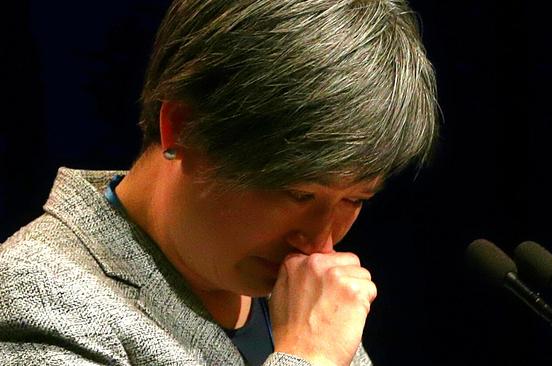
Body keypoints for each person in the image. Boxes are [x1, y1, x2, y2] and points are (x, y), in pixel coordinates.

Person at [0, 0, 436, 365]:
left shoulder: (304, 290)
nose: (319, 243)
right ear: (184, 130)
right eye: (298, 194)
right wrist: (308, 358)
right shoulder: (40, 296)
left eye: (354, 200)